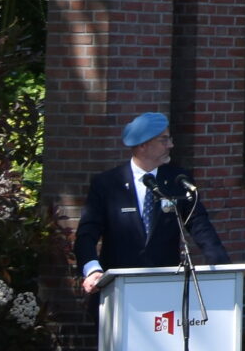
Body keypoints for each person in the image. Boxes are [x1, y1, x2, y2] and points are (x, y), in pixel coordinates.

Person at [76, 112, 227, 305]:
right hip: (118, 290)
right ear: (143, 145)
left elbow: (199, 224)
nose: (170, 145)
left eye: (169, 139)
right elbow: (87, 233)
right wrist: (92, 270)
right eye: (164, 140)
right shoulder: (107, 184)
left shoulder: (177, 180)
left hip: (164, 287)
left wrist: (221, 265)